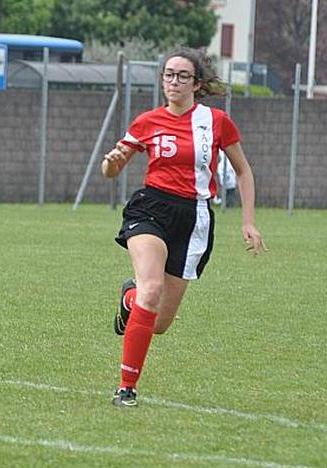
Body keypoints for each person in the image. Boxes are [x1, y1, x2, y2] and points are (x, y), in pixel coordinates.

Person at [101, 47, 266, 408]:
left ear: (197, 83)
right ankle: (126, 389)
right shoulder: (146, 121)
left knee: (158, 322)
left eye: (182, 76)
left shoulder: (217, 121)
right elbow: (111, 171)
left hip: (195, 218)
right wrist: (111, 163)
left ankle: (129, 301)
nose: (173, 82)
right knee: (152, 287)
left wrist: (248, 221)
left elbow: (243, 171)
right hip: (151, 209)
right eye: (168, 75)